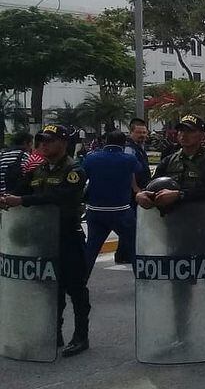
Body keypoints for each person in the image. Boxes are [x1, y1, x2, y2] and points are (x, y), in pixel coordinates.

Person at [135, 114, 205, 357]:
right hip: (177, 232)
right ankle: (181, 334)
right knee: (179, 285)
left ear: (202, 135)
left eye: (190, 131)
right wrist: (142, 195)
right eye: (181, 130)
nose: (184, 135)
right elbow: (153, 184)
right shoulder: (169, 159)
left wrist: (179, 195)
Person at [1, 124, 90, 357]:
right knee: (50, 288)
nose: (44, 144)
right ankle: (53, 332)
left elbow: (58, 197)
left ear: (63, 143)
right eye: (41, 140)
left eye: (50, 140)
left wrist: (23, 201)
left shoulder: (74, 170)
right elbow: (22, 190)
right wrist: (12, 190)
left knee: (75, 287)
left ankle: (81, 336)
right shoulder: (37, 169)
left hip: (67, 235)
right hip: (41, 237)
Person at [82, 130, 141, 273]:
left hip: (96, 210)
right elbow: (139, 170)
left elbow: (83, 177)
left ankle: (79, 281)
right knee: (135, 247)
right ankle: (142, 280)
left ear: (105, 141)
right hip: (121, 210)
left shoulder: (91, 158)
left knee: (90, 249)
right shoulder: (129, 159)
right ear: (123, 143)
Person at [0, 130, 32, 195]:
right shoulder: (24, 156)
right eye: (31, 144)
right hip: (15, 196)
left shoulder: (2, 155)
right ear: (25, 143)